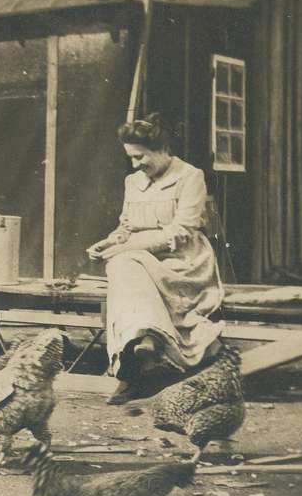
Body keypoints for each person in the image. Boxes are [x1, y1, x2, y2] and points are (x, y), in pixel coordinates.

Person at [87, 112, 224, 404]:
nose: (136, 164)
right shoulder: (133, 181)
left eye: (141, 157)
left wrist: (126, 248)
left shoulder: (190, 177)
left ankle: (135, 366)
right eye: (131, 158)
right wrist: (109, 242)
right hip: (139, 261)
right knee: (122, 263)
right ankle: (145, 341)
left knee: (123, 263)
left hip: (182, 263)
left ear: (162, 149)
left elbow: (181, 231)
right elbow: (126, 227)